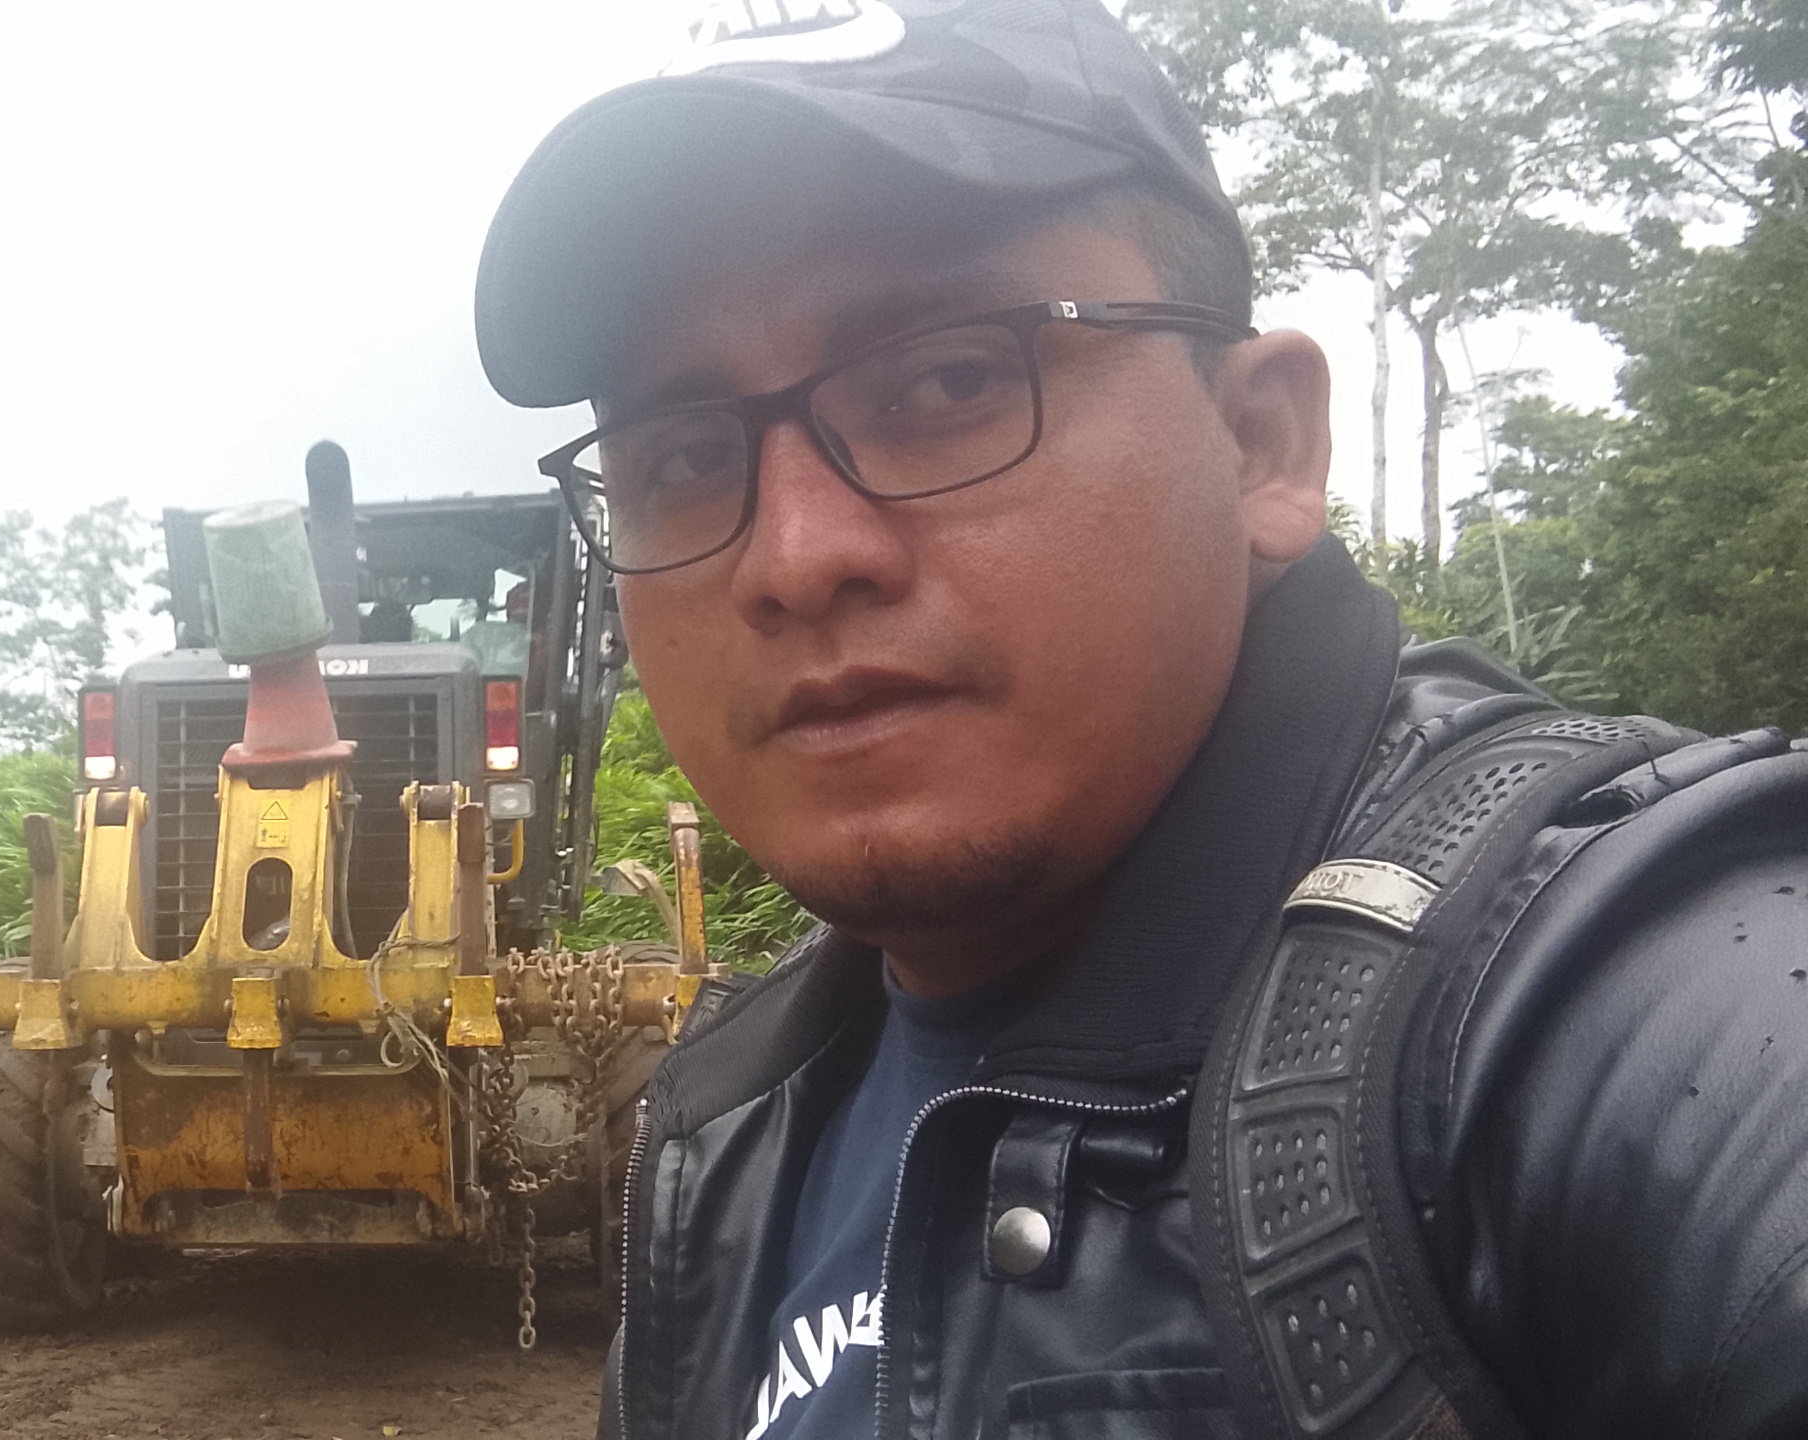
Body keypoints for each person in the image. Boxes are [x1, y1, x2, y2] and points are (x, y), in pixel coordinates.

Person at [471, 2, 1808, 1437]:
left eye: (949, 380)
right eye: (680, 457)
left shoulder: (1598, 1006)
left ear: (1260, 444)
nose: (795, 558)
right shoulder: (724, 1128)